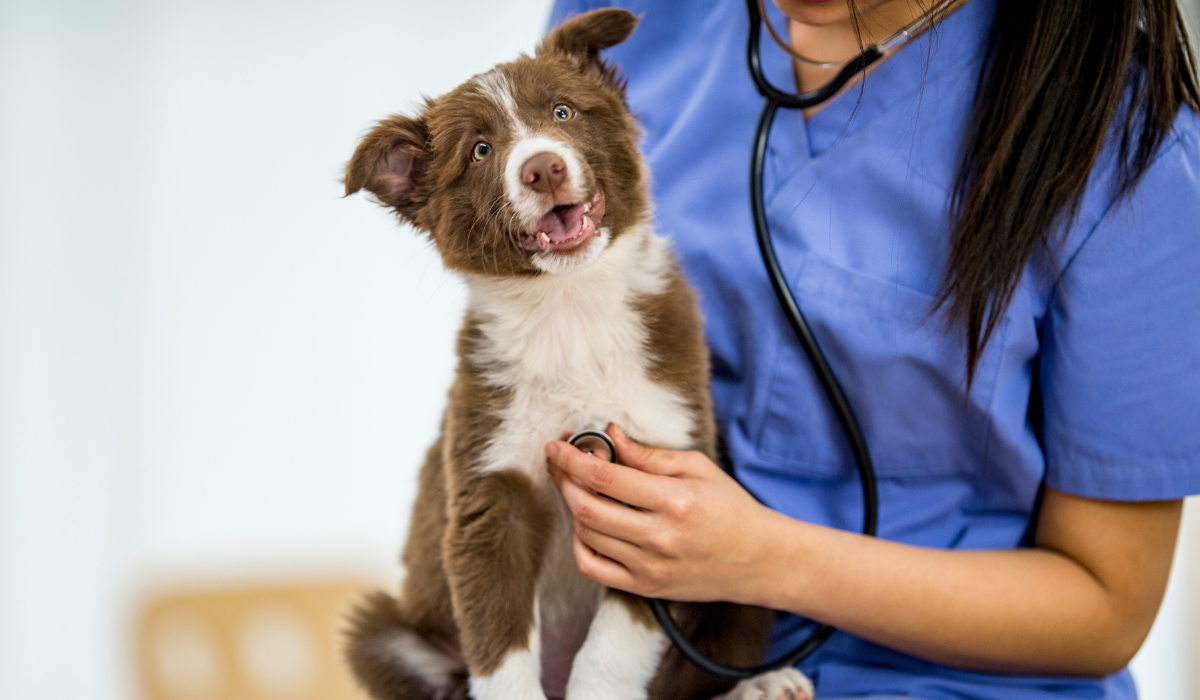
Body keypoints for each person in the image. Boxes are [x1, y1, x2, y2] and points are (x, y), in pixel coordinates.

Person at [540, 0, 1200, 698]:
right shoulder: (625, 21)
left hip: (946, 679)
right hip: (628, 645)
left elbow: (1105, 605)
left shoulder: (1129, 151)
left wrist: (760, 559)